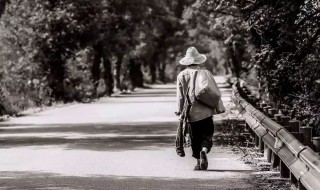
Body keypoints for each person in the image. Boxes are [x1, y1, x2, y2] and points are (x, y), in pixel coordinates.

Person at [176, 47, 220, 171]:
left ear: (187, 60)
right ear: (198, 59)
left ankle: (198, 162)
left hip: (190, 113)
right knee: (207, 135)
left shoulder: (181, 75)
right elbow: (213, 91)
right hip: (206, 112)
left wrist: (180, 112)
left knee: (194, 138)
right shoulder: (205, 73)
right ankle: (204, 150)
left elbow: (180, 96)